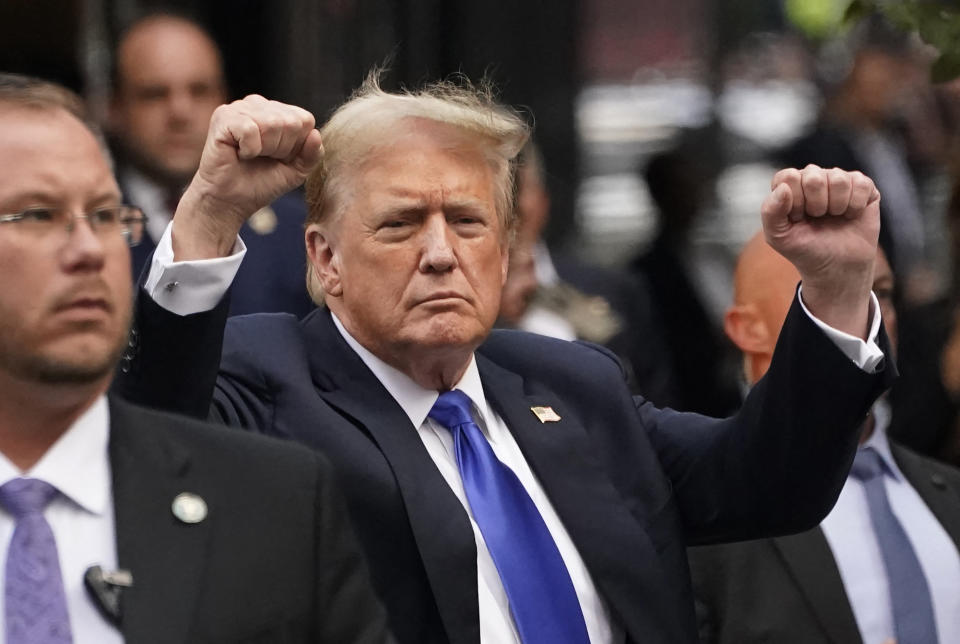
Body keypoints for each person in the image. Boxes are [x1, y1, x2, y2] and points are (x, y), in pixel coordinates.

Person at [116, 75, 894, 644]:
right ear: (325, 261)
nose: (440, 254)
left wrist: (836, 289)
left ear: (506, 250)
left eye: (467, 220)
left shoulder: (575, 382)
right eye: (399, 225)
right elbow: (156, 454)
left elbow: (766, 485)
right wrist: (211, 215)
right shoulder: (270, 373)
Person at [0, 73, 388, 643]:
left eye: (106, 215)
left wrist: (208, 215)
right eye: (37, 215)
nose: (88, 249)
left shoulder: (275, 504)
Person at [689, 234, 960, 644]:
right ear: (747, 329)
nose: (868, 317)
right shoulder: (697, 515)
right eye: (827, 292)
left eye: (881, 294)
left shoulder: (949, 494)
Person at [108, 12, 314, 316]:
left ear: (224, 99)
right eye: (154, 94)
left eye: (199, 91)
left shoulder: (295, 227)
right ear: (114, 108)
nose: (180, 112)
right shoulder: (86, 227)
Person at [498, 141, 679, 405]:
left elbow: (661, 410)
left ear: (542, 200)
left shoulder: (615, 290)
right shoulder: (444, 306)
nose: (505, 209)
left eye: (513, 190)